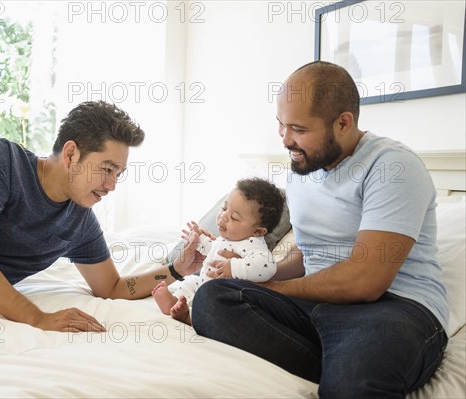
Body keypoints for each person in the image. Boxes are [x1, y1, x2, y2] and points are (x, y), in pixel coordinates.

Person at [187, 61, 449, 398]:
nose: (285, 140)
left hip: (392, 308)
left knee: (352, 382)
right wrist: (257, 275)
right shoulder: (302, 169)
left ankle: (344, 371)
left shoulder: (392, 167)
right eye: (280, 125)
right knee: (215, 297)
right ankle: (333, 364)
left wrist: (279, 289)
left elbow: (366, 281)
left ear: (343, 122)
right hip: (315, 305)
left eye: (297, 128)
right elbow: (309, 251)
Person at [0, 101, 205, 333]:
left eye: (119, 173)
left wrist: (176, 269)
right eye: (107, 169)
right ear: (71, 153)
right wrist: (37, 318)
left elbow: (113, 287)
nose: (112, 185)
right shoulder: (3, 160)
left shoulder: (80, 220)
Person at [152, 177, 284, 324]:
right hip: (203, 283)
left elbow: (267, 266)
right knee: (190, 281)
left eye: (234, 217)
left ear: (258, 231)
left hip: (223, 293)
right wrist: (199, 239)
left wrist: (234, 267)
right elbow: (213, 250)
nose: (223, 216)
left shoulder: (253, 244)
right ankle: (176, 301)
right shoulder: (227, 239)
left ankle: (188, 316)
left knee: (219, 307)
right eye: (224, 208)